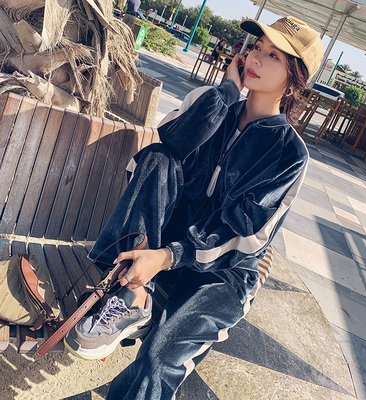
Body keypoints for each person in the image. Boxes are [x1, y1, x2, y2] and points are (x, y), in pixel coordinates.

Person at [64, 15, 323, 400]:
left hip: (222, 276)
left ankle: (139, 294)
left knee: (158, 361)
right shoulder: (213, 103)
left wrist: (169, 256)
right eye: (255, 47)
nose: (255, 57)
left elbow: (243, 235)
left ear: (295, 77)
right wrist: (225, 94)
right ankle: (132, 292)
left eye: (274, 56)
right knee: (159, 158)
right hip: (157, 251)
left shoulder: (290, 154)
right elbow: (162, 151)